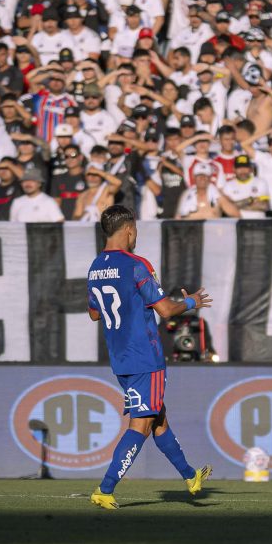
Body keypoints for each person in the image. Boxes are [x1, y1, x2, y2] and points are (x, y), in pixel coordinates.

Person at [88, 205, 213, 510]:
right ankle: (105, 489)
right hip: (145, 355)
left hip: (119, 355)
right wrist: (192, 301)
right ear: (129, 229)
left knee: (158, 417)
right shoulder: (136, 264)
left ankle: (190, 476)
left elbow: (94, 313)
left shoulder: (95, 266)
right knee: (141, 425)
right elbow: (166, 310)